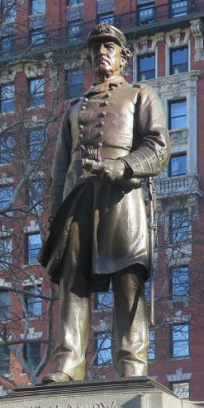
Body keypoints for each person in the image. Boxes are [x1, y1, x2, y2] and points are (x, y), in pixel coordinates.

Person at [38, 24, 168, 382]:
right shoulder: (74, 107)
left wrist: (118, 167)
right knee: (72, 280)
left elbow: (158, 148)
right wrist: (54, 212)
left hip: (122, 194)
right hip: (77, 197)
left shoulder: (141, 94)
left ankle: (132, 364)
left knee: (128, 278)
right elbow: (59, 167)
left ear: (124, 56)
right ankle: (68, 362)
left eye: (109, 46)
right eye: (96, 48)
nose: (102, 53)